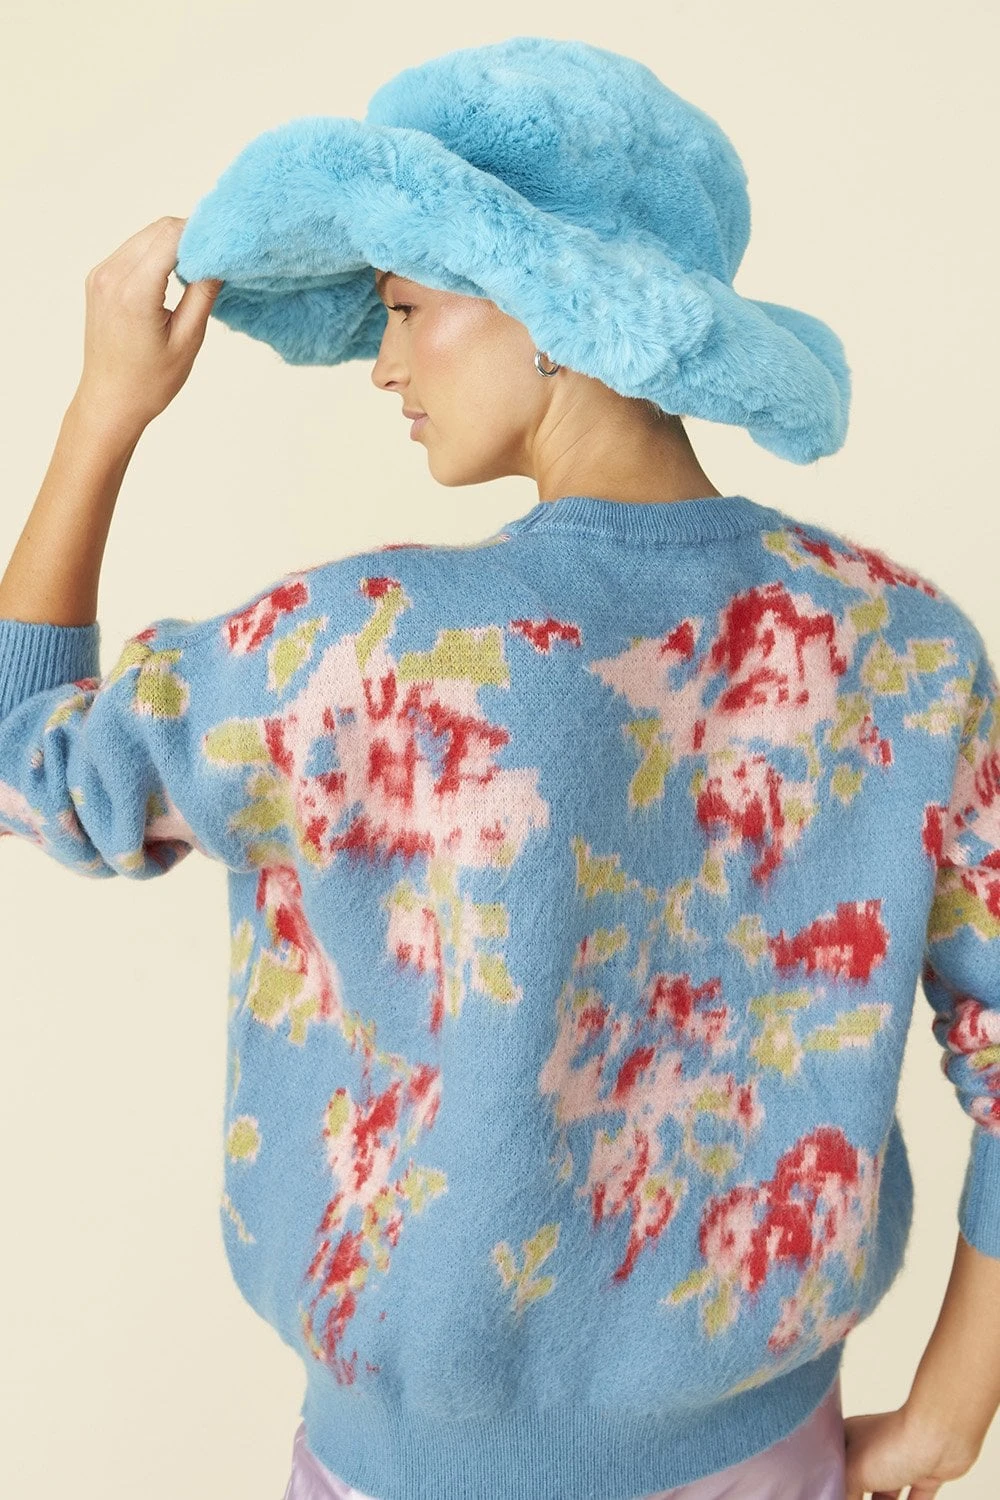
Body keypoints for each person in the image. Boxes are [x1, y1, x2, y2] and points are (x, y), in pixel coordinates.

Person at [3, 35, 1000, 1500]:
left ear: (551, 307)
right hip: (769, 1456)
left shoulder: (360, 650)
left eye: (407, 308)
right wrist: (951, 1415)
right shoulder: (904, 646)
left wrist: (103, 408)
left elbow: (28, 760)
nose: (384, 363)